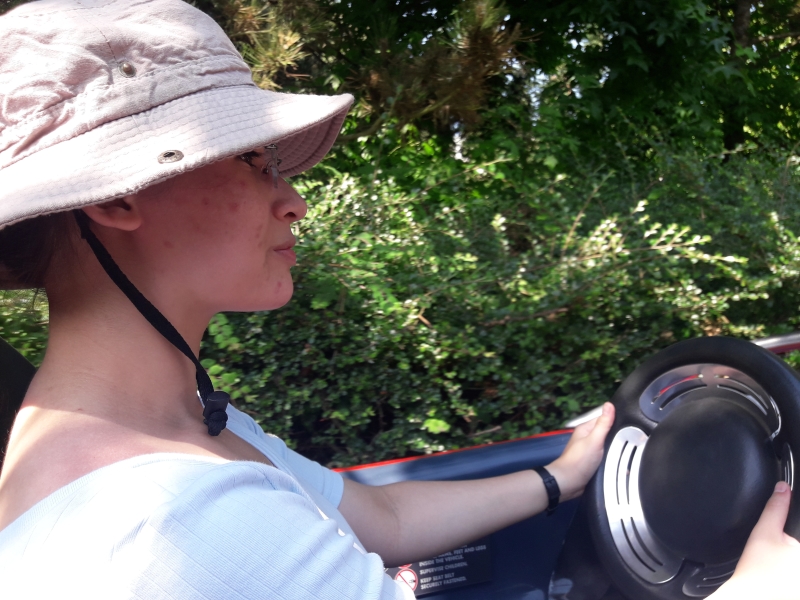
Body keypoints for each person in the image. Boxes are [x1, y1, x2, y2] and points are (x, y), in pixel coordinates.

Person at [0, 1, 794, 599]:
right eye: (251, 160)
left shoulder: (180, 430)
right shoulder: (174, 518)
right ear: (117, 195)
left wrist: (565, 474)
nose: (293, 201)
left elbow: (382, 521)